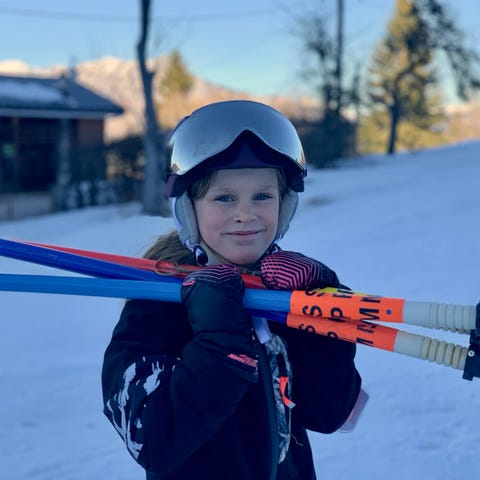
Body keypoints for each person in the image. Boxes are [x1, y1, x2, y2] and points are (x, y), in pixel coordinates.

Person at [101, 100, 362, 480]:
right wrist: (219, 342)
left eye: (262, 196)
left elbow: (329, 413)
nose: (246, 214)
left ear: (285, 204)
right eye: (224, 198)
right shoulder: (157, 305)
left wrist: (325, 321)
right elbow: (150, 440)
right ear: (189, 208)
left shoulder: (285, 294)